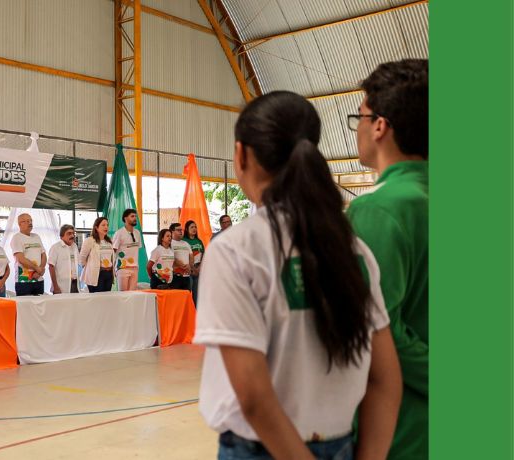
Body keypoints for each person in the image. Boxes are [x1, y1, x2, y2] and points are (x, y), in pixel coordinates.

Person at [194, 91, 402, 460]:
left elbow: (255, 398)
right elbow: (386, 379)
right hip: (342, 445)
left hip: (263, 449)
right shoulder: (353, 252)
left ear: (241, 155)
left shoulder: (235, 251)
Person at [346, 59, 429, 460]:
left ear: (380, 125)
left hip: (406, 427)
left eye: (358, 117)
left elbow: (381, 332)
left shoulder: (379, 211)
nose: (358, 128)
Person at [10, 213, 47, 296]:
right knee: (25, 307)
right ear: (20, 224)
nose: (30, 223)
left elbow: (43, 255)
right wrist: (37, 268)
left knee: (39, 307)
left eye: (30, 220)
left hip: (38, 279)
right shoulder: (17, 237)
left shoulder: (36, 236)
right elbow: (21, 259)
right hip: (24, 281)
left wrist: (40, 270)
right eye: (26, 221)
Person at [79, 217, 115, 293]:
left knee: (106, 299)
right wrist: (90, 267)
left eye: (107, 225)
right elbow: (82, 258)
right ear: (96, 227)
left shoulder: (109, 241)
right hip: (96, 274)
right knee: (97, 299)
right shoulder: (90, 240)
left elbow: (112, 257)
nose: (106, 227)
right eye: (103, 225)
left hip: (109, 274)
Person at [112, 208, 143, 291]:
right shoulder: (119, 233)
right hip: (122, 268)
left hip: (134, 268)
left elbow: (136, 249)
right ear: (125, 218)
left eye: (135, 216)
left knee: (132, 295)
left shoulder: (137, 233)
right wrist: (113, 269)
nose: (135, 218)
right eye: (132, 216)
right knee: (123, 295)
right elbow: (113, 251)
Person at [48, 224, 80, 294]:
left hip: (75, 284)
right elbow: (51, 267)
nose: (72, 236)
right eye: (69, 233)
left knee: (76, 304)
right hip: (61, 286)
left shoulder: (74, 246)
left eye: (73, 233)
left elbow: (78, 264)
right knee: (61, 305)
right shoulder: (55, 248)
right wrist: (55, 287)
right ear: (62, 236)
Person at [183, 220, 205, 305]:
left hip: (198, 269)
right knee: (187, 292)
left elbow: (203, 254)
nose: (194, 229)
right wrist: (192, 268)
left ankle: (196, 313)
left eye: (195, 227)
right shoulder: (183, 241)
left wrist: (199, 268)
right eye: (192, 227)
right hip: (187, 270)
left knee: (197, 294)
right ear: (186, 229)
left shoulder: (199, 241)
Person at [169, 223, 192, 292]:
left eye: (181, 230)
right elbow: (170, 256)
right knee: (175, 298)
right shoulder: (170, 243)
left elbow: (191, 256)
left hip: (186, 276)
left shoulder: (186, 243)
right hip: (175, 276)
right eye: (178, 230)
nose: (181, 231)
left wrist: (190, 266)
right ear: (172, 231)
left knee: (186, 298)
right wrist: (182, 265)